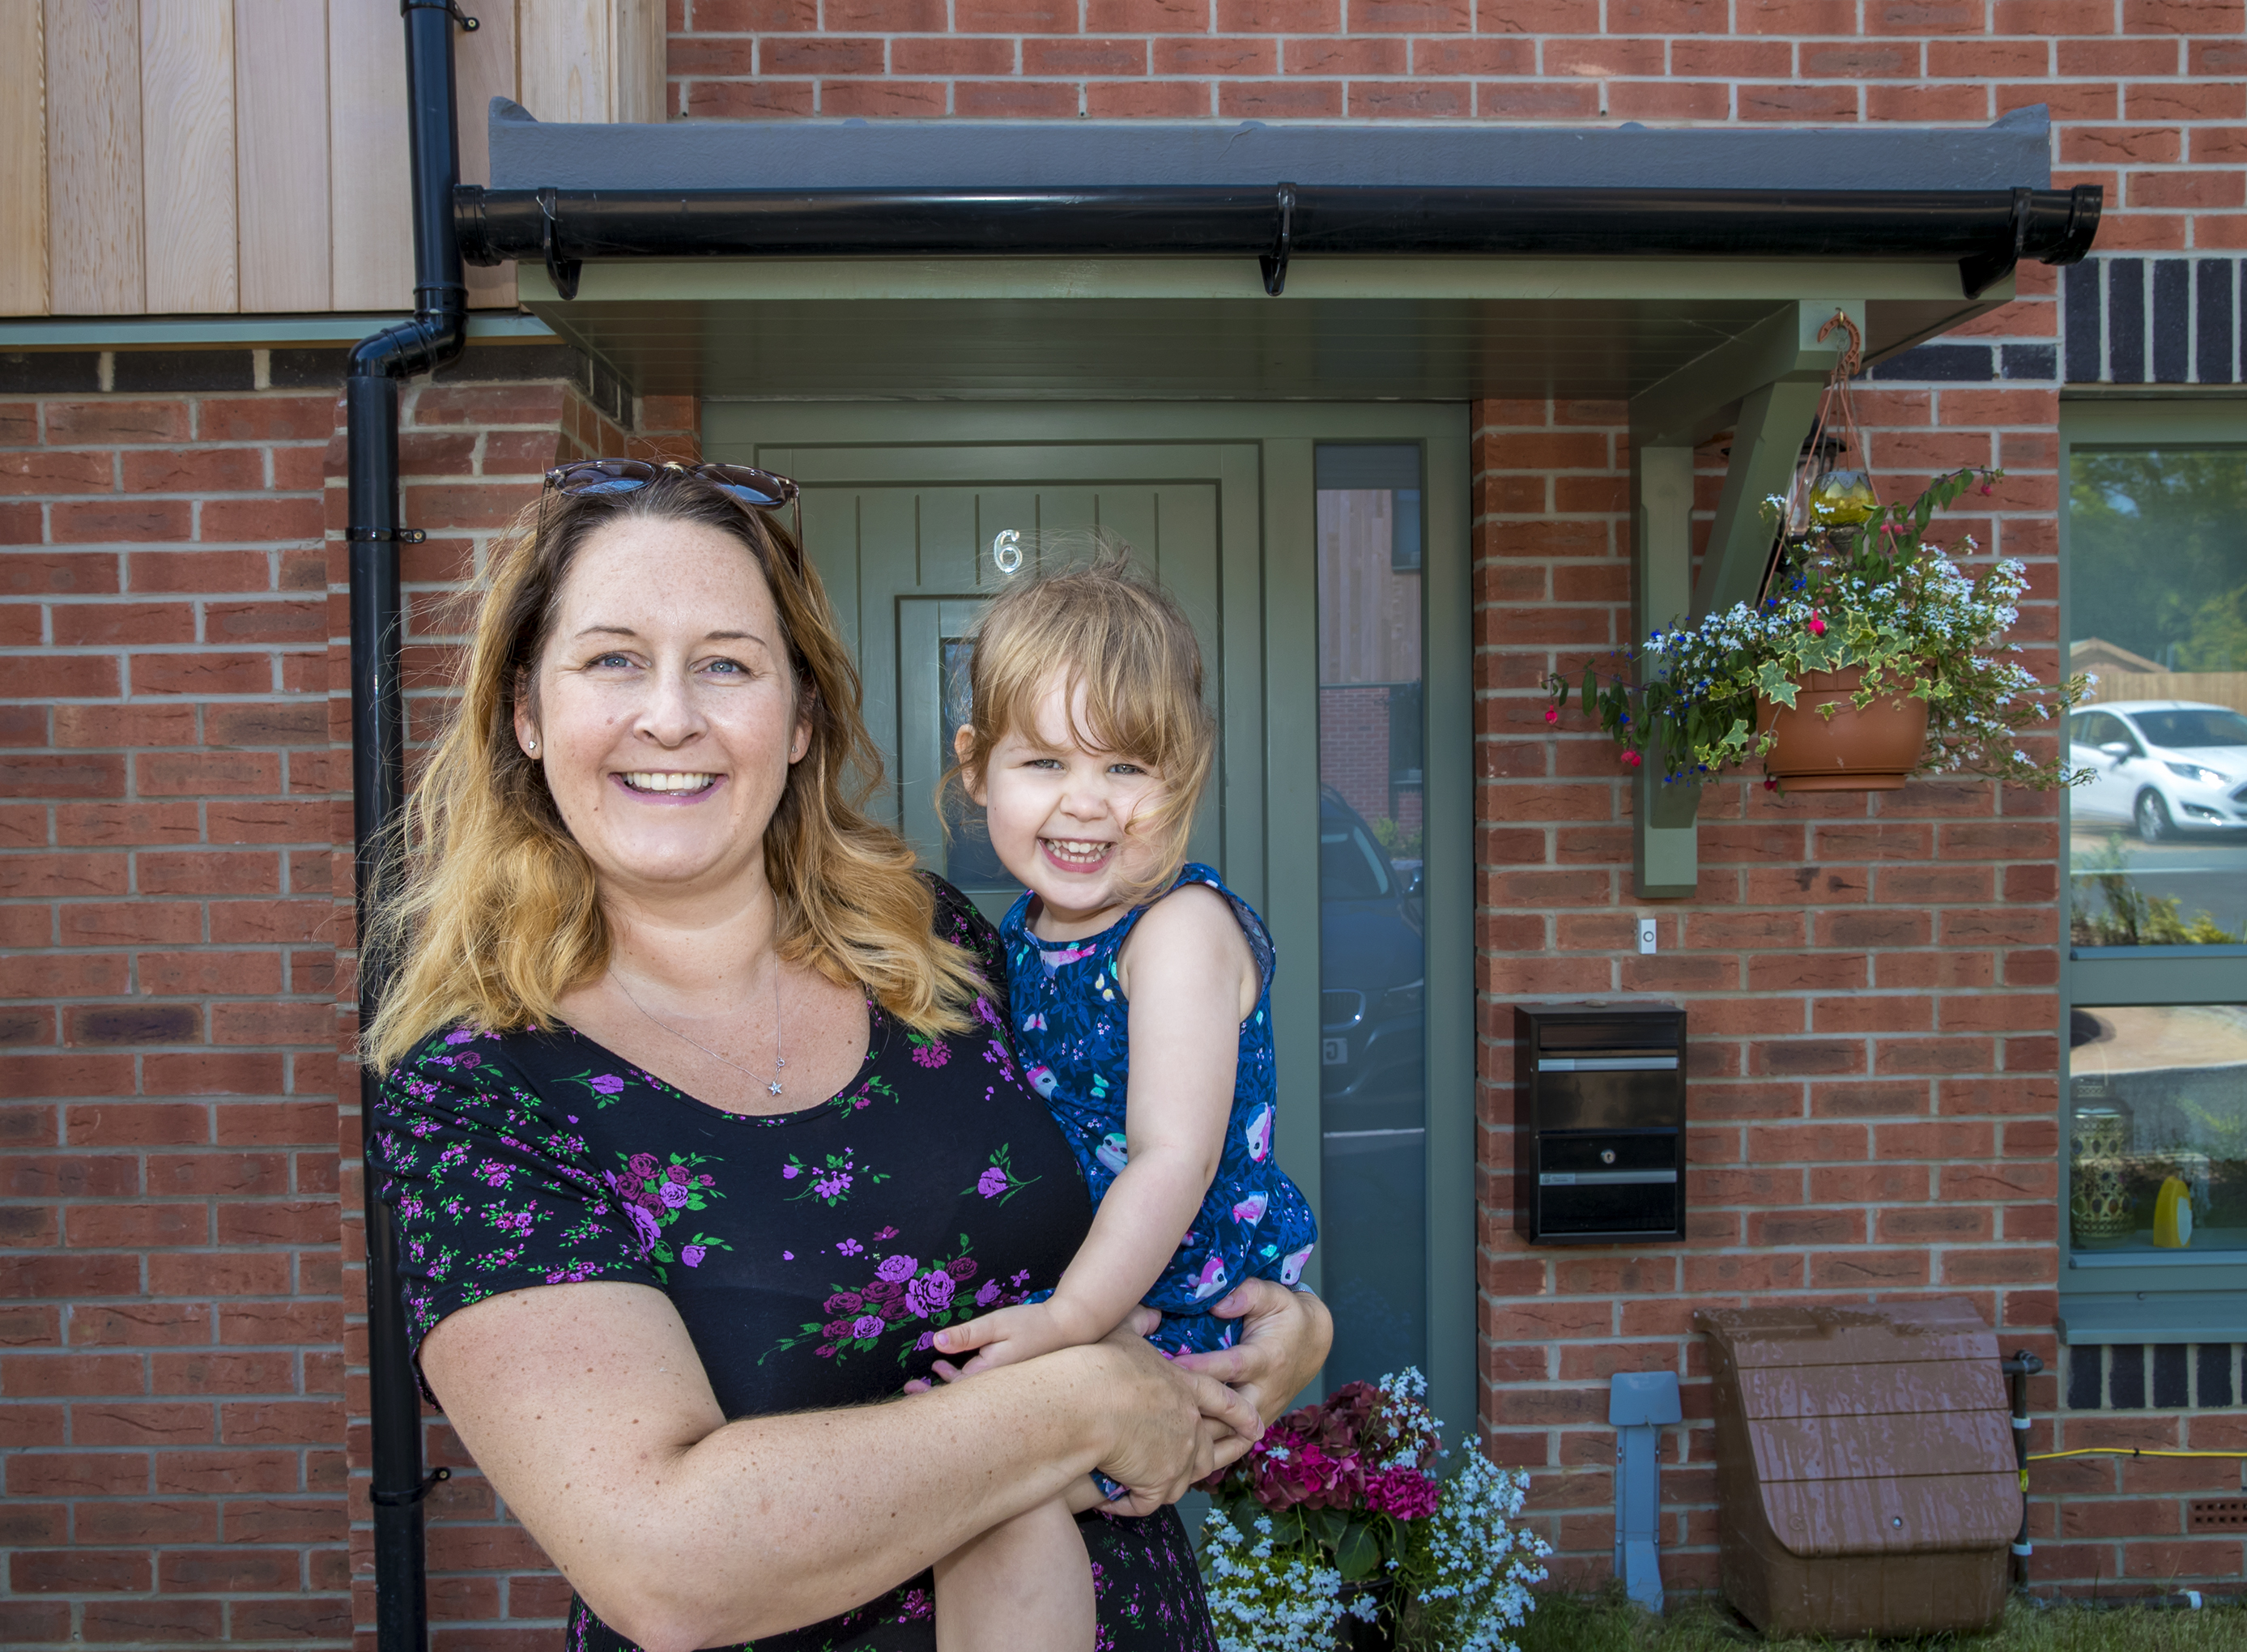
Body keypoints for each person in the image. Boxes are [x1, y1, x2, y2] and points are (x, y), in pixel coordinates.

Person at [364, 460, 1331, 1652]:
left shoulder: (930, 948)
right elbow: (666, 1565)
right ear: (526, 710)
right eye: (613, 658)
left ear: (802, 717)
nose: (670, 714)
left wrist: (1279, 1326)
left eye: (726, 663)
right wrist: (1085, 1399)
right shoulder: (479, 1094)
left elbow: (1148, 1149)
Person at [926, 554, 1318, 1652]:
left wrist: (1067, 1321)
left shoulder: (1177, 934)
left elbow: (1170, 1160)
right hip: (1095, 1292)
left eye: (1128, 766)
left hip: (1165, 1296)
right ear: (978, 771)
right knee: (962, 1485)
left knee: (1004, 1497)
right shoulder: (1023, 933)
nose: (1085, 801)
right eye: (1043, 760)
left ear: (1183, 773)